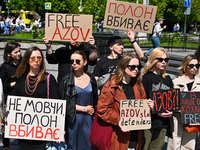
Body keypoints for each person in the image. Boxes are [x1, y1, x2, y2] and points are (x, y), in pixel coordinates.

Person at [97, 53, 154, 150]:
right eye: (132, 67)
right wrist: (120, 120)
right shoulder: (111, 86)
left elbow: (143, 105)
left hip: (135, 138)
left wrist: (149, 105)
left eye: (138, 66)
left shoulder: (138, 85)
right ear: (123, 67)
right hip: (118, 137)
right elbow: (102, 109)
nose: (136, 69)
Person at [11, 46, 59, 150]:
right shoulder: (21, 79)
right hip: (23, 132)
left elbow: (56, 103)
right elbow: (14, 102)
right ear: (27, 60)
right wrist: (8, 116)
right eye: (33, 58)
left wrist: (59, 128)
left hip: (41, 132)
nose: (36, 60)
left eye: (39, 58)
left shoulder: (49, 79)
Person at [59, 50, 98, 150]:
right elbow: (64, 104)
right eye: (72, 61)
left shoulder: (91, 78)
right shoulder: (66, 80)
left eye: (77, 61)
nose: (74, 64)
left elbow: (95, 100)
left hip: (89, 119)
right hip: (73, 119)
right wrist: (84, 109)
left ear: (85, 62)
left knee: (89, 146)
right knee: (73, 146)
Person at [142, 47, 173, 150]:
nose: (164, 62)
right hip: (148, 121)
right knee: (144, 147)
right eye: (160, 60)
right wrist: (156, 111)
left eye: (166, 60)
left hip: (163, 122)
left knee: (157, 147)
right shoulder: (146, 78)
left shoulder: (167, 78)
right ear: (153, 60)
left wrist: (171, 109)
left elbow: (171, 99)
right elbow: (142, 100)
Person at [167, 54, 200, 150]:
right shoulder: (176, 82)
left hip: (193, 117)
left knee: (189, 143)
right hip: (177, 116)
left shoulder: (199, 82)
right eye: (191, 65)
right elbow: (170, 100)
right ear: (185, 66)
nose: (194, 68)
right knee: (174, 142)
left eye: (197, 66)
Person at [0, 42, 22, 150]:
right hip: (10, 99)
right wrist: (16, 83)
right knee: (7, 124)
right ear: (9, 54)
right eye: (16, 52)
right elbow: (4, 86)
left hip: (23, 98)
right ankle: (7, 146)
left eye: (19, 51)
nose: (19, 53)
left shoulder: (24, 64)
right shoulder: (5, 67)